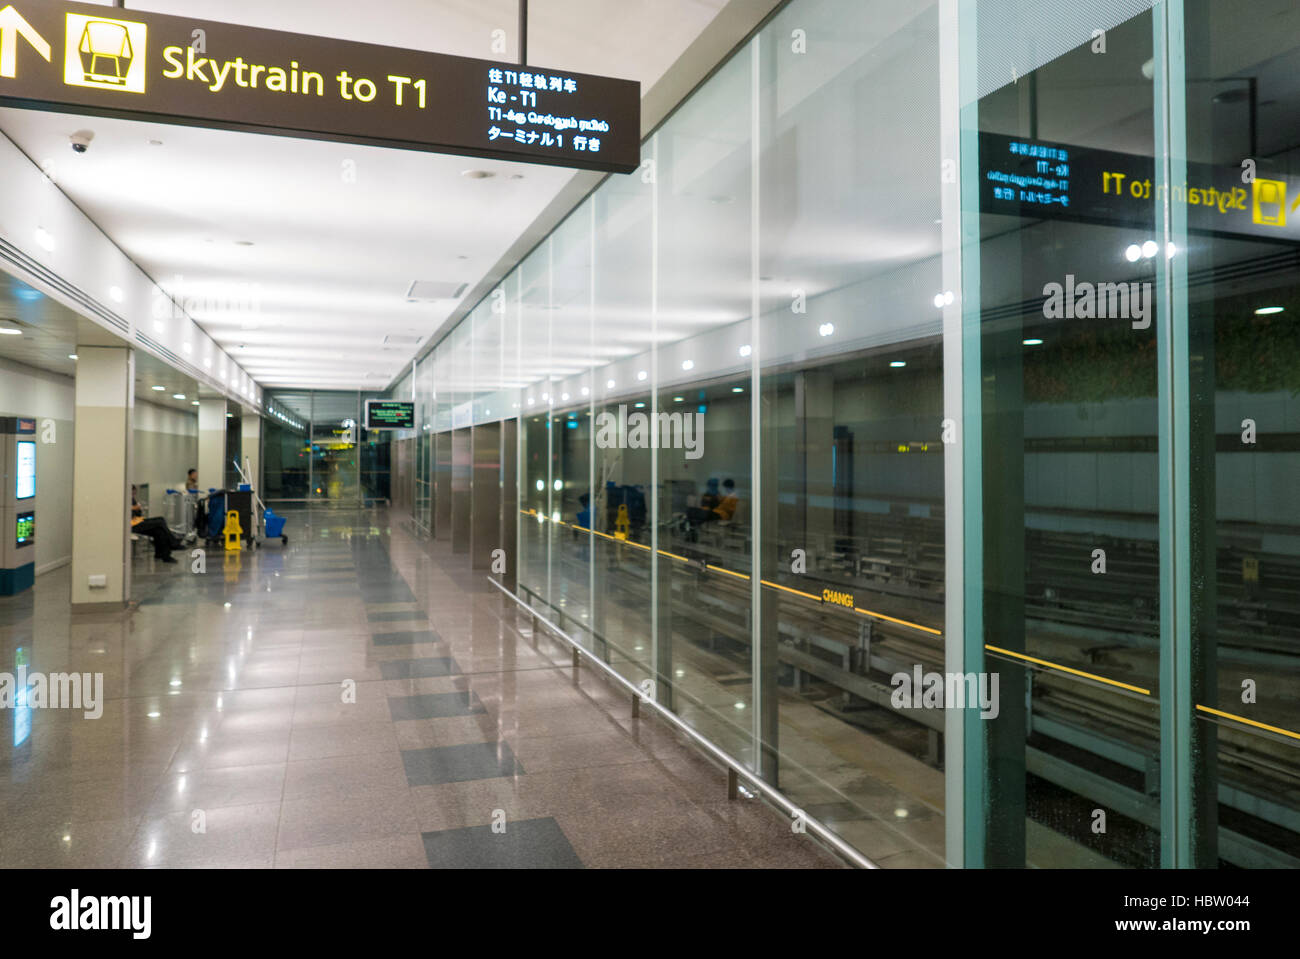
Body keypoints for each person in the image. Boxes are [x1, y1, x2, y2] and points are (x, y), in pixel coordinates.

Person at [132, 485, 183, 563]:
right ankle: (173, 543)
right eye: (133, 493)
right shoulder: (124, 500)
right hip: (133, 525)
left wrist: (138, 509)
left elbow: (138, 514)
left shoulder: (132, 500)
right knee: (160, 522)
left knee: (159, 530)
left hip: (138, 521)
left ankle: (162, 555)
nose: (134, 495)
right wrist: (133, 508)